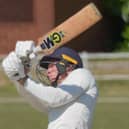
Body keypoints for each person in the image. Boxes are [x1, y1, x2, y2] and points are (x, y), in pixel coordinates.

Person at [2, 41, 98, 129]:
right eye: (48, 67)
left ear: (67, 64)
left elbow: (55, 97)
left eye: (52, 65)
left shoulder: (82, 74)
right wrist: (18, 78)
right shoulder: (59, 93)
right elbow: (37, 101)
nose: (48, 71)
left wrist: (23, 79)